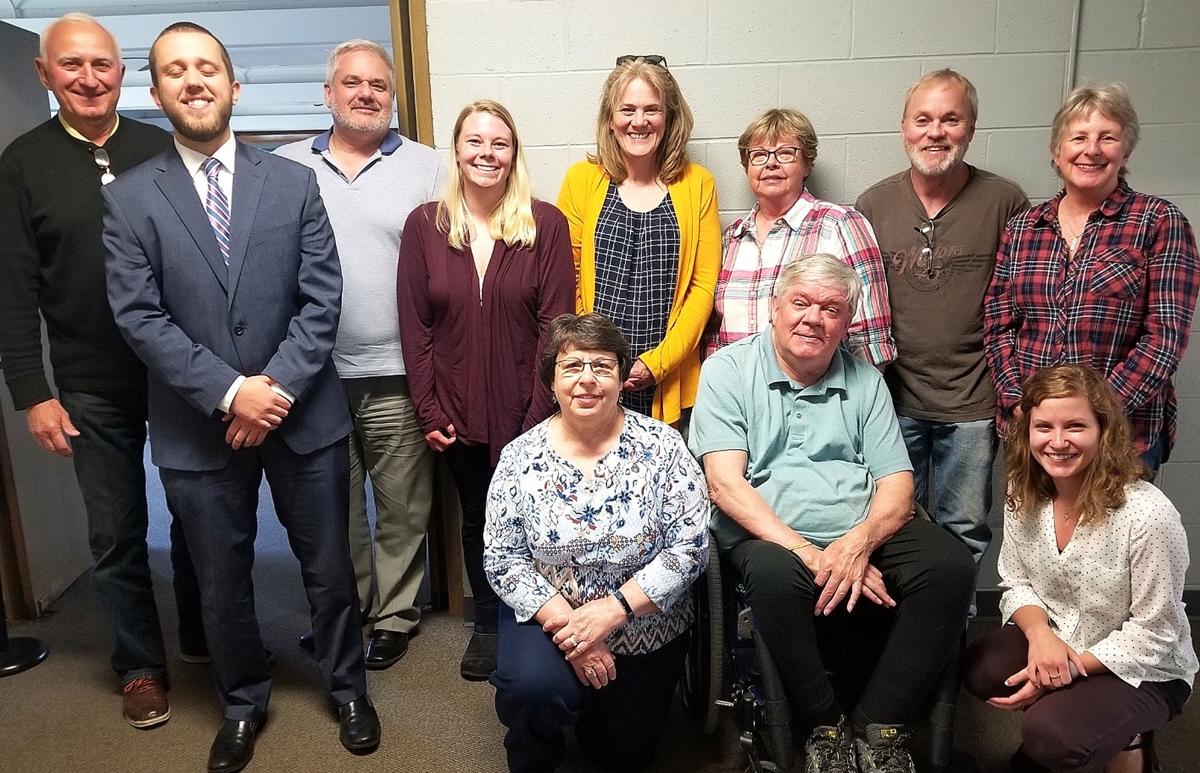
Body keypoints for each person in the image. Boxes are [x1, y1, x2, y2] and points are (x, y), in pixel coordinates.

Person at [102, 22, 378, 771]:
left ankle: (349, 687)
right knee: (221, 581)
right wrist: (230, 393)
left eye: (207, 68)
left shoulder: (293, 181)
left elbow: (321, 298)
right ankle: (241, 700)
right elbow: (138, 316)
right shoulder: (130, 199)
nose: (194, 81)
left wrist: (273, 390)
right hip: (198, 427)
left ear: (233, 83)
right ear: (155, 91)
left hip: (301, 415)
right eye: (175, 71)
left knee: (328, 568)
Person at [690, 254, 974, 773]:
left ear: (847, 322)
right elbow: (724, 485)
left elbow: (897, 486)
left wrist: (857, 545)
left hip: (861, 530)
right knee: (777, 578)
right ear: (774, 307)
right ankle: (824, 724)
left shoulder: (865, 381)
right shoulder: (727, 370)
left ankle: (878, 724)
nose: (813, 318)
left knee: (949, 566)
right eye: (800, 303)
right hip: (769, 534)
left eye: (831, 309)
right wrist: (807, 552)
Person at [0, 12, 203, 729]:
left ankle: (205, 636)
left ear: (123, 73)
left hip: (177, 373)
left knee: (198, 513)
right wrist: (34, 392)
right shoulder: (22, 164)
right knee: (116, 531)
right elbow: (13, 289)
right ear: (44, 72)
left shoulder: (160, 148)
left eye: (102, 65)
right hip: (89, 384)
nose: (88, 79)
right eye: (71, 66)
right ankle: (140, 664)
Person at [275, 39, 445, 670]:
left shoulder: (430, 167)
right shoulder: (286, 167)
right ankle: (349, 610)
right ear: (328, 94)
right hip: (313, 374)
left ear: (392, 95)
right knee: (332, 507)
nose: (366, 93)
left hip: (399, 371)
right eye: (352, 83)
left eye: (378, 84)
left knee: (403, 505)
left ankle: (395, 615)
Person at [397, 100, 574, 681]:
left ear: (513, 153)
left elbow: (555, 325)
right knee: (479, 515)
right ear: (457, 151)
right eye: (475, 142)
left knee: (536, 517)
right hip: (455, 410)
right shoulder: (425, 226)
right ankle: (490, 622)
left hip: (530, 407)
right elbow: (414, 325)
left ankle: (541, 616)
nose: (486, 153)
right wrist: (428, 407)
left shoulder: (545, 224)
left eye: (499, 143)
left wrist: (537, 413)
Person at [485, 313, 708, 772]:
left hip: (645, 625)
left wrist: (613, 611)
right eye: (572, 367)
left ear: (622, 377)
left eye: (602, 366)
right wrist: (577, 635)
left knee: (623, 755)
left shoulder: (663, 448)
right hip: (551, 620)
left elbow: (689, 546)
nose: (587, 380)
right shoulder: (519, 457)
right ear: (552, 380)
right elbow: (503, 558)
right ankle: (536, 747)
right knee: (533, 689)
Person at [963, 364, 1197, 772]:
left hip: (1142, 665)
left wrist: (1059, 670)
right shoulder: (1024, 490)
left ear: (1103, 432)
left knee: (1051, 736)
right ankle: (1083, 719)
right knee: (983, 669)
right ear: (1027, 431)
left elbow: (1155, 633)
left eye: (1075, 426)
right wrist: (1039, 637)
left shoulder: (1147, 514)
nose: (1057, 442)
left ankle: (1128, 740)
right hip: (1061, 634)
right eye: (1044, 427)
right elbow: (1015, 582)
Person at [856, 69, 1028, 577]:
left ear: (971, 127)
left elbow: (1021, 304)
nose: (936, 132)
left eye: (950, 119)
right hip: (893, 402)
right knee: (891, 524)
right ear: (904, 128)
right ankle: (902, 633)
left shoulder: (1005, 202)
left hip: (973, 402)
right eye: (923, 119)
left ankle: (952, 641)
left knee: (964, 526)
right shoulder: (872, 205)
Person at [984, 84, 1199, 476]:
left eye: (1108, 138)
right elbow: (999, 326)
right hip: (1035, 434)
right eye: (1078, 137)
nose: (1092, 149)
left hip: (1121, 436)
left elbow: (1165, 337)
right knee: (1036, 536)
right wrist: (1019, 402)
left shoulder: (1159, 222)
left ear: (1125, 151)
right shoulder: (1023, 229)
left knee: (1116, 537)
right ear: (1056, 151)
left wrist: (1096, 413)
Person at [557, 54, 720, 422]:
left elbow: (702, 287)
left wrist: (657, 364)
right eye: (627, 109)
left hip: (671, 382)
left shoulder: (698, 185)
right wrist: (597, 358)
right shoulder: (581, 180)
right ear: (610, 120)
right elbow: (570, 276)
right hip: (594, 379)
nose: (639, 121)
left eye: (652, 109)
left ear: (669, 117)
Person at [706, 107, 895, 369]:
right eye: (759, 155)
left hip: (817, 397)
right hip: (738, 399)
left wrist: (850, 404)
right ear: (747, 167)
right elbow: (715, 335)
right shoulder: (731, 239)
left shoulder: (840, 224)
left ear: (807, 164)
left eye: (785, 153)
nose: (771, 163)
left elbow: (871, 339)